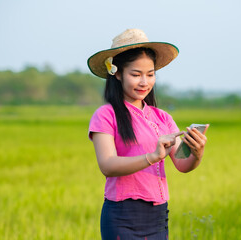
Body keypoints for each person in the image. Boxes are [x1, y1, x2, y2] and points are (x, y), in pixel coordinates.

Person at [87, 29, 208, 240]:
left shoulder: (163, 118)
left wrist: (197, 153)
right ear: (117, 73)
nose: (144, 82)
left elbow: (182, 164)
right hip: (122, 215)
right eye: (136, 75)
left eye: (150, 74)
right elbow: (107, 165)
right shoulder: (106, 115)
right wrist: (152, 157)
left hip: (158, 215)